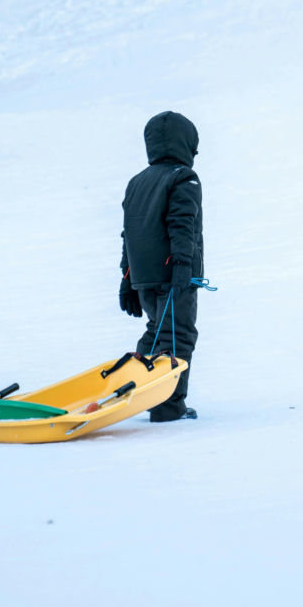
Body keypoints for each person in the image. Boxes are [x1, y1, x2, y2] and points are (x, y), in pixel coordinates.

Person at [118, 111, 203, 422]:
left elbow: (129, 233)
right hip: (173, 274)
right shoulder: (183, 177)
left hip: (145, 277)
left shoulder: (137, 182)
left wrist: (127, 279)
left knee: (157, 332)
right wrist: (182, 266)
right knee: (178, 336)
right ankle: (167, 406)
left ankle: (138, 390)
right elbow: (182, 224)